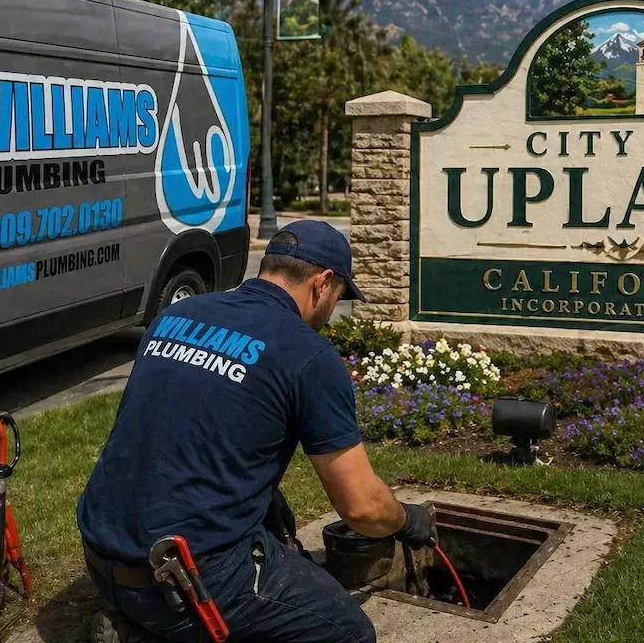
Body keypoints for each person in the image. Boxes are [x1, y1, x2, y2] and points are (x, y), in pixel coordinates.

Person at [76, 219, 437, 642]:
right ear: (322, 284)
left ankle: (139, 627)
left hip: (102, 557)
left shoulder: (176, 315)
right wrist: (405, 519)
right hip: (185, 583)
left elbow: (181, 430)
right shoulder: (307, 353)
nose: (331, 310)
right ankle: (168, 629)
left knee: (271, 529)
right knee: (351, 632)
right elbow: (362, 510)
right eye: (339, 296)